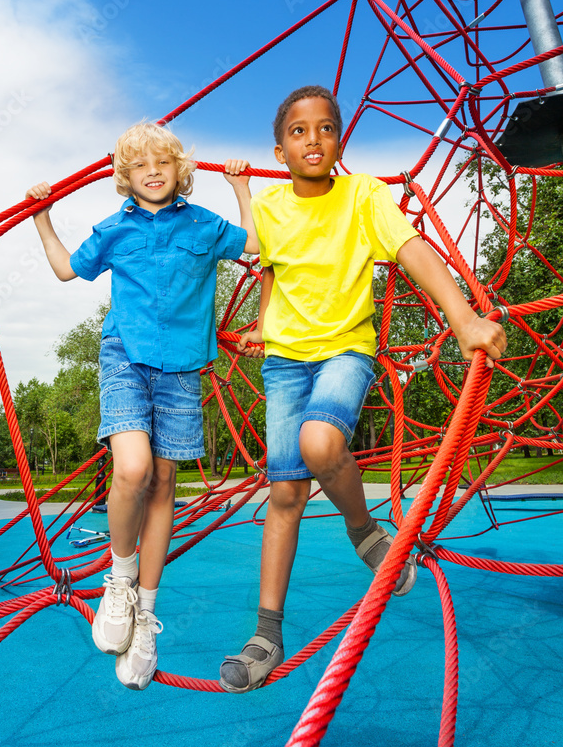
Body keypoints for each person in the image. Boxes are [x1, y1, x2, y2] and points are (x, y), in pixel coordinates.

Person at [219, 85, 507, 694]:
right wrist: (261, 326)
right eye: (299, 132)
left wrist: (463, 319)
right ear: (281, 147)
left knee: (321, 444)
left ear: (339, 139)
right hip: (285, 362)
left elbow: (413, 252)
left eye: (325, 128)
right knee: (286, 494)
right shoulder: (271, 206)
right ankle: (266, 633)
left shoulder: (364, 195)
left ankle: (363, 530)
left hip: (346, 349)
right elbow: (272, 267)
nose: (313, 139)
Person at [27, 121, 258, 691]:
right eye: (139, 165)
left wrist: (241, 189)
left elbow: (253, 244)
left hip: (181, 369)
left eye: (163, 162)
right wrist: (41, 217)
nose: (152, 171)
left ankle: (145, 618)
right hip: (125, 357)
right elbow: (66, 268)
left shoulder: (202, 225)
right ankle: (119, 582)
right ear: (124, 178)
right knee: (131, 469)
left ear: (180, 171)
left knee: (162, 485)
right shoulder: (115, 229)